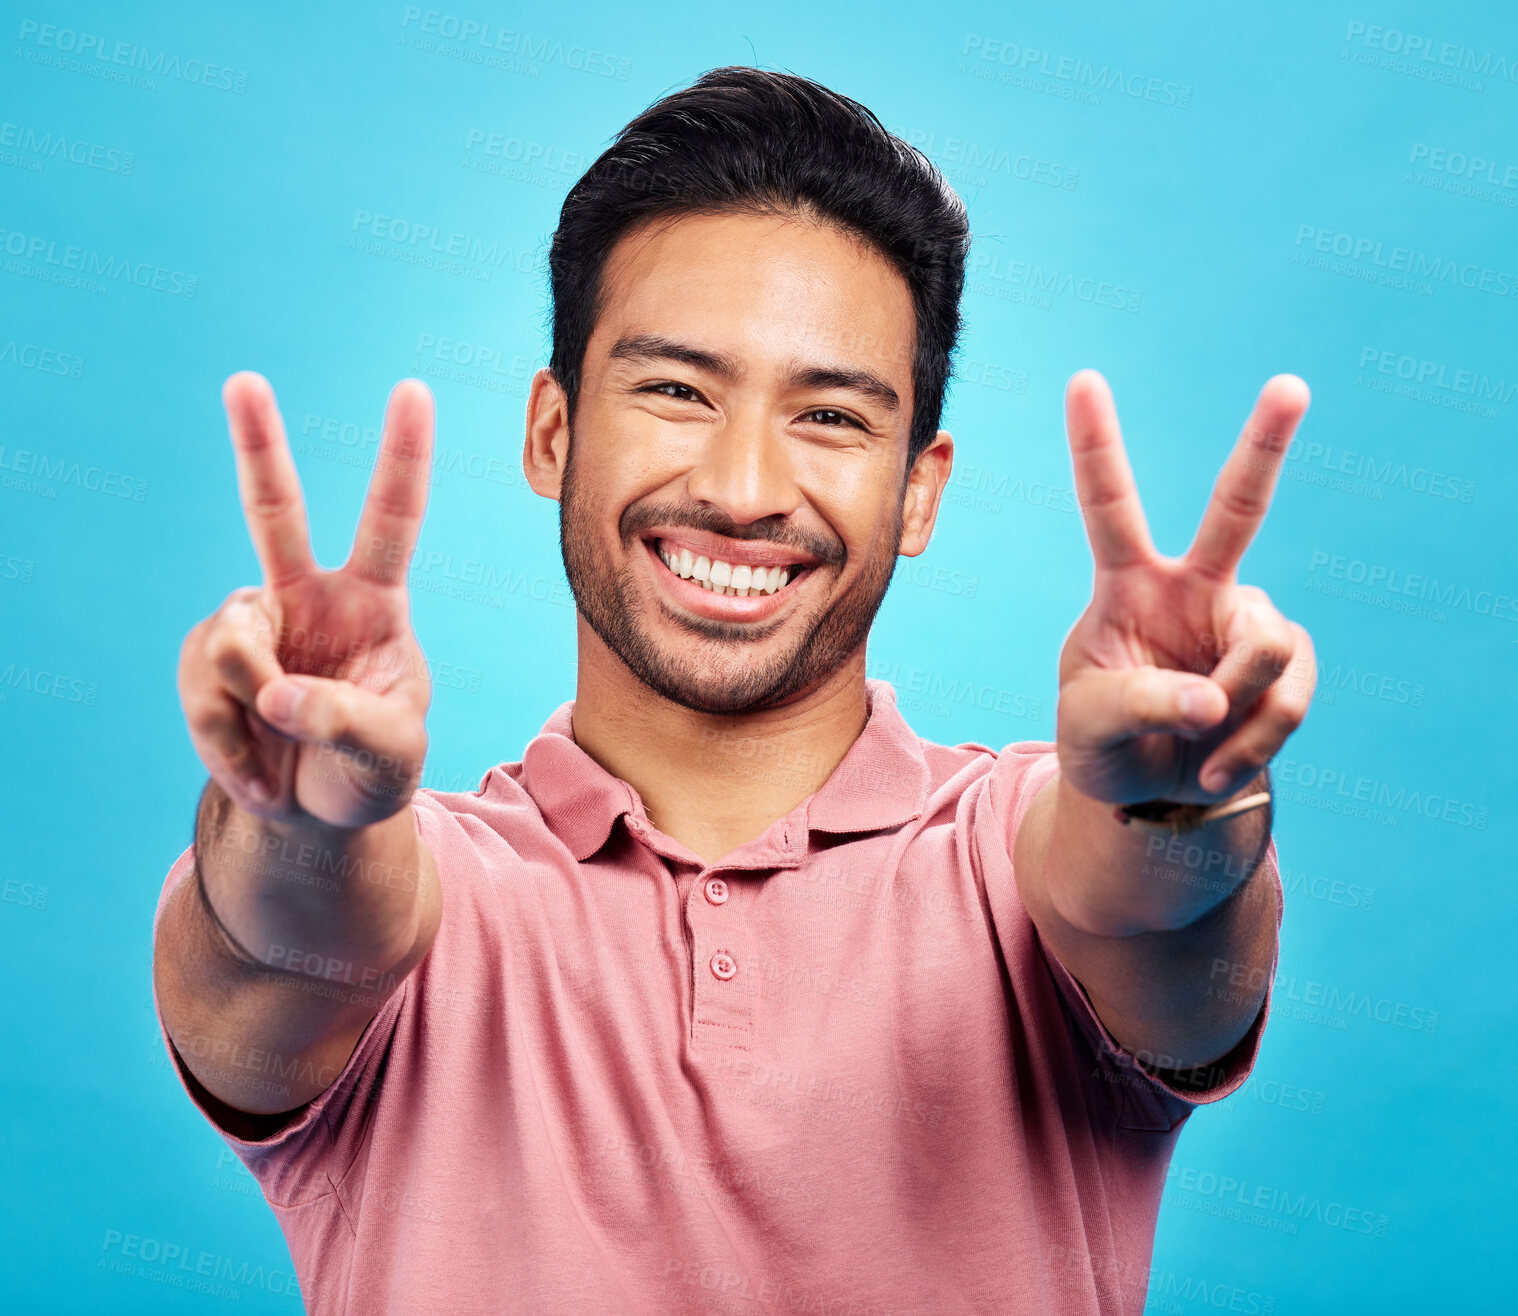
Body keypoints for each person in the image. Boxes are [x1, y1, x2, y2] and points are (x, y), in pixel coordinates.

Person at [152, 67, 1315, 1316]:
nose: (747, 483)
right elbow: (282, 953)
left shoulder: (1015, 855)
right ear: (553, 431)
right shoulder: (425, 897)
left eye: (828, 415)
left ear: (919, 490)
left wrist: (1177, 804)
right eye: (675, 389)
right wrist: (297, 821)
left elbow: (1157, 926)